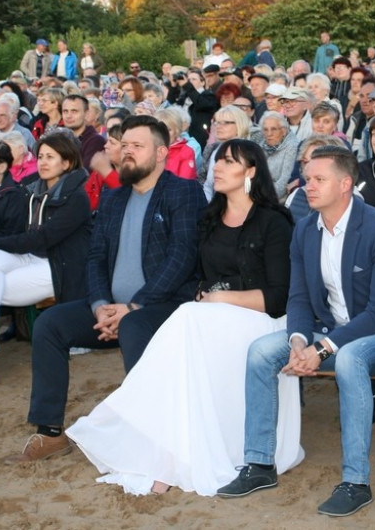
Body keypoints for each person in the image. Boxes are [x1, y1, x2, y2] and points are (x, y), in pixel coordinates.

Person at [68, 139, 299, 495]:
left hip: (261, 320)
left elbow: (279, 297)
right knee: (186, 325)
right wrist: (207, 298)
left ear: (250, 172)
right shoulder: (210, 220)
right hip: (213, 318)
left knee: (186, 320)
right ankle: (169, 454)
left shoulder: (274, 223)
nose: (217, 168)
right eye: (216, 161)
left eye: (228, 162)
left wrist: (221, 298)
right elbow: (197, 277)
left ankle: (163, 450)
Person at [216, 146, 375, 518]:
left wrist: (323, 348)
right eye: (307, 178)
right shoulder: (305, 231)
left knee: (349, 359)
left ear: (345, 184)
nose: (307, 186)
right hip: (331, 331)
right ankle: (260, 464)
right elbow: (298, 298)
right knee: (262, 352)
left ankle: (356, 481)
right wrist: (298, 340)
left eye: (318, 180)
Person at [4, 115, 206, 464]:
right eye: (124, 145)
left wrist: (134, 306)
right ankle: (50, 433)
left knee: (133, 325)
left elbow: (182, 258)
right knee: (51, 324)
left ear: (160, 154)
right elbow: (95, 257)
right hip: (111, 308)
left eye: (136, 146)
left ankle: (153, 436)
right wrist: (99, 305)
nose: (126, 152)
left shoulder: (183, 192)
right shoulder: (114, 198)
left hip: (166, 306)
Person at [0, 134, 91, 395]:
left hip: (61, 267)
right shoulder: (35, 190)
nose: (43, 162)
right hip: (35, 258)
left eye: (50, 157)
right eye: (40, 156)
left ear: (67, 162)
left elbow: (43, 238)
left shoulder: (76, 198)